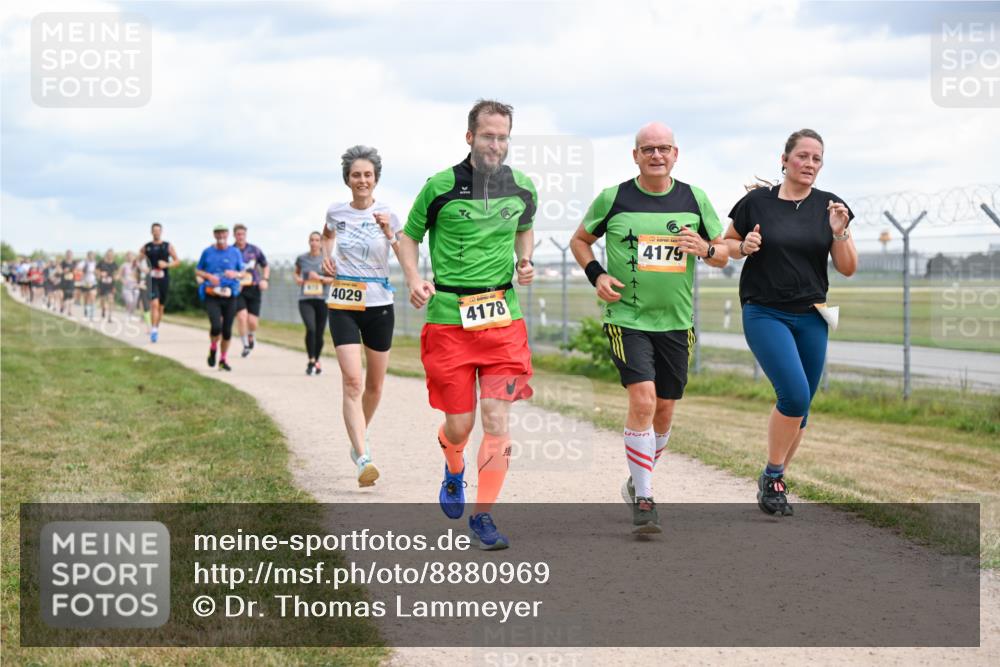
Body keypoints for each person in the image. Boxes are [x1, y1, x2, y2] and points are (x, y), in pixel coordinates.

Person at [570, 122, 729, 534]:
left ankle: (637, 477)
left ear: (676, 154)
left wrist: (707, 248)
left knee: (664, 409)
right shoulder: (614, 197)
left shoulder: (695, 198)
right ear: (635, 155)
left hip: (676, 322)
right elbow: (580, 240)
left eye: (663, 149)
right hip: (627, 318)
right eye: (648, 149)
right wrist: (597, 275)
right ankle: (644, 498)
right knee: (643, 401)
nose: (656, 155)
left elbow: (724, 254)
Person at [399, 99, 537, 550]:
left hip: (503, 318)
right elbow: (408, 236)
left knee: (497, 419)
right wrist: (415, 278)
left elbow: (525, 225)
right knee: (459, 425)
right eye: (487, 135)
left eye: (502, 137)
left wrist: (525, 259)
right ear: (470, 137)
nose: (495, 144)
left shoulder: (522, 188)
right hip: (449, 320)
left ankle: (484, 516)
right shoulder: (439, 186)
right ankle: (453, 465)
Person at [723, 128, 857, 516]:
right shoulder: (756, 203)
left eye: (817, 159)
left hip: (811, 315)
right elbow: (726, 245)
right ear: (784, 160)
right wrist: (743, 246)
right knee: (794, 396)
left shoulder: (831, 207)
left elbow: (847, 268)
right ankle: (774, 474)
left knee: (803, 408)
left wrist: (840, 232)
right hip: (764, 311)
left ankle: (775, 482)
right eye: (802, 156)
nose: (809, 164)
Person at [320, 145, 404, 488]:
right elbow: (327, 235)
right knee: (353, 381)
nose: (362, 180)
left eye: (368, 175)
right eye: (356, 175)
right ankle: (363, 455)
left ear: (376, 179)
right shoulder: (336, 212)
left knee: (374, 385)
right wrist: (327, 256)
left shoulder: (388, 213)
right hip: (343, 301)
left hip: (379, 303)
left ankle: (358, 440)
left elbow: (405, 251)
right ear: (347, 179)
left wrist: (388, 233)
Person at [195, 224, 245, 371]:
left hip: (230, 295)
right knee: (216, 326)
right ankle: (212, 348)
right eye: (218, 233)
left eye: (223, 232)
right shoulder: (207, 252)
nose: (221, 235)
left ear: (228, 234)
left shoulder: (235, 252)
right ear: (214, 235)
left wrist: (234, 274)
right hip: (212, 294)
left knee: (227, 330)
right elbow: (198, 271)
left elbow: (243, 273)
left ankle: (223, 360)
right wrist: (209, 275)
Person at [295, 232, 333, 376]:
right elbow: (296, 273)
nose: (314, 243)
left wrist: (320, 278)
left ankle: (316, 360)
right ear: (308, 241)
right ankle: (311, 360)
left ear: (322, 242)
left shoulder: (327, 259)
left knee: (319, 333)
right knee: (311, 328)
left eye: (317, 240)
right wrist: (298, 279)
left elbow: (334, 279)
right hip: (305, 299)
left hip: (322, 299)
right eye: (311, 240)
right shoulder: (302, 258)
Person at [233, 224, 270, 357]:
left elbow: (265, 266)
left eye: (242, 234)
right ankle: (245, 345)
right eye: (238, 234)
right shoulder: (231, 251)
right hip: (238, 289)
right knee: (242, 317)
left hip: (254, 288)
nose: (240, 236)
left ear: (246, 235)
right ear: (234, 235)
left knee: (252, 322)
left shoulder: (254, 250)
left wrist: (265, 279)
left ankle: (251, 335)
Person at [139, 222, 180, 342]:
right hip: (152, 279)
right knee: (154, 304)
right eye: (154, 230)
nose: (156, 232)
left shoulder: (167, 246)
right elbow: (138, 260)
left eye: (158, 230)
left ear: (161, 232)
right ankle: (153, 330)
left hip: (164, 279)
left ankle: (156, 327)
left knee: (161, 307)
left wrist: (167, 264)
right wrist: (143, 269)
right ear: (151, 232)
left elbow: (177, 261)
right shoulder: (147, 246)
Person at [117, 251, 141, 320]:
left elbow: (140, 274)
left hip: (135, 286)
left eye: (131, 256)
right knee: (129, 301)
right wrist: (123, 281)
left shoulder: (137, 265)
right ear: (126, 257)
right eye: (129, 256)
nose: (130, 257)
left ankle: (131, 315)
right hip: (127, 287)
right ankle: (127, 314)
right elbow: (119, 275)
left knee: (135, 301)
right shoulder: (124, 265)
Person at [97, 249, 118, 322]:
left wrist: (115, 277)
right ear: (106, 255)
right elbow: (96, 270)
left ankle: (110, 317)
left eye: (111, 254)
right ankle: (103, 309)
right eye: (108, 254)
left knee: (110, 300)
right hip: (102, 284)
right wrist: (100, 274)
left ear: (113, 255)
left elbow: (116, 274)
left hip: (110, 285)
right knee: (102, 300)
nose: (109, 256)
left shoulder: (114, 264)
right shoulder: (101, 263)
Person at [80, 251, 98, 319]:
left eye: (93, 255)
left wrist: (96, 272)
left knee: (92, 296)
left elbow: (98, 272)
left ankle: (92, 314)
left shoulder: (96, 263)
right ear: (87, 256)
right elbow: (79, 269)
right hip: (85, 282)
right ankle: (86, 309)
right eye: (90, 255)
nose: (91, 257)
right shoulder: (84, 263)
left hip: (93, 282)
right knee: (86, 298)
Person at [59, 251, 76, 316]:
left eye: (70, 255)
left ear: (72, 255)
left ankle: (70, 311)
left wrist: (70, 270)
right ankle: (62, 306)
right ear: (66, 255)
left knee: (71, 297)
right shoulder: (63, 263)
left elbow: (76, 270)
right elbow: (59, 270)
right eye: (68, 255)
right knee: (62, 296)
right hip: (63, 282)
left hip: (71, 282)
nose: (69, 256)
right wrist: (63, 271)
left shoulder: (74, 263)